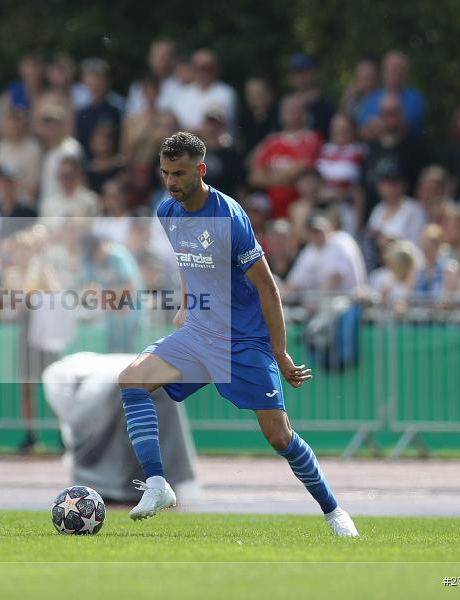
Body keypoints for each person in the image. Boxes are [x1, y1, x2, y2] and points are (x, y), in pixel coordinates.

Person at [116, 131, 357, 536]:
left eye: (179, 173)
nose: (171, 182)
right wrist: (187, 301)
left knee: (279, 436)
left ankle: (334, 512)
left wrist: (279, 352)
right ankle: (157, 484)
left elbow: (267, 287)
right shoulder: (167, 211)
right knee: (131, 380)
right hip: (198, 334)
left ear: (200, 170)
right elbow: (188, 259)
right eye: (165, 173)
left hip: (242, 342)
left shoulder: (228, 216)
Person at [286, 53, 334, 139]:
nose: (298, 77)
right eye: (294, 73)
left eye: (302, 72)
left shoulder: (325, 104)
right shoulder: (285, 105)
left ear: (312, 73)